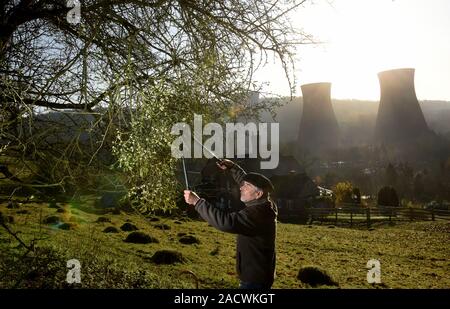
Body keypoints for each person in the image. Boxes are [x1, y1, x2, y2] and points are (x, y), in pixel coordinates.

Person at [183, 159, 278, 289]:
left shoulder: (257, 215)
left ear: (258, 194)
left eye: (246, 186)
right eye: (243, 184)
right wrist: (232, 167)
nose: (241, 187)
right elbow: (245, 180)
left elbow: (226, 222)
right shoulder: (265, 203)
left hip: (254, 281)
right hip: (258, 276)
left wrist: (197, 202)